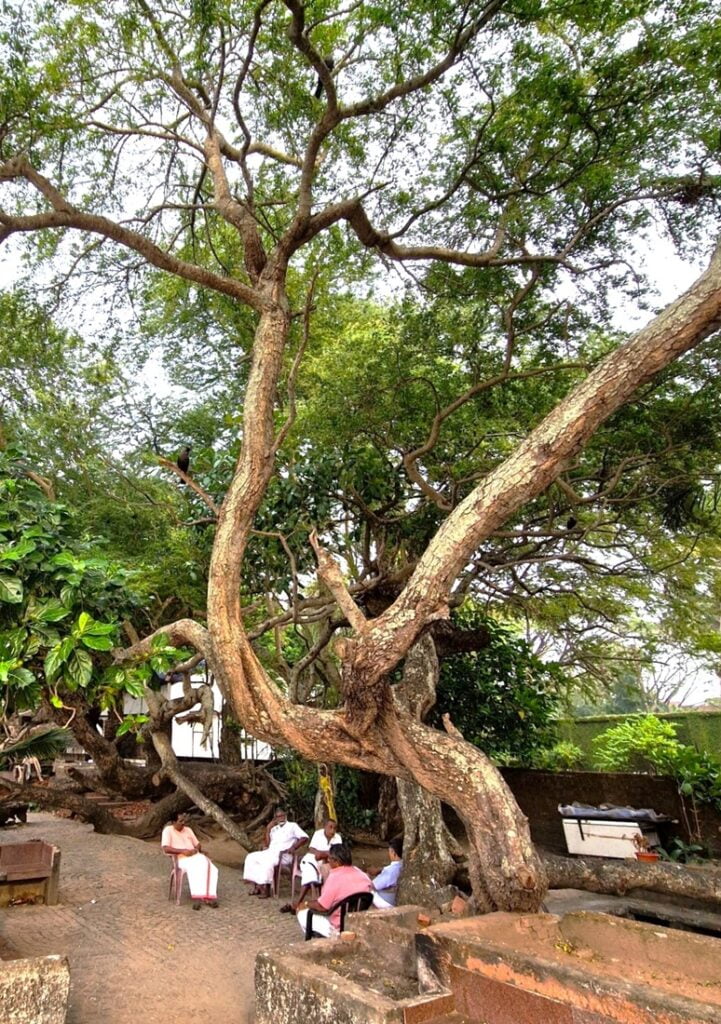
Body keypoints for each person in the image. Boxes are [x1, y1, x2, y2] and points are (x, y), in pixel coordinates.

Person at [295, 843, 372, 938]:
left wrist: (306, 904)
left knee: (302, 913)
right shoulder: (362, 875)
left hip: (338, 925)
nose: (328, 860)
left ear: (337, 861)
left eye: (330, 858)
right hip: (356, 922)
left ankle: (328, 939)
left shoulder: (335, 877)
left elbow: (322, 906)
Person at [280, 817, 342, 913]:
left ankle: (298, 904)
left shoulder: (337, 838)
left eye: (334, 828)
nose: (332, 830)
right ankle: (301, 903)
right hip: (311, 859)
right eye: (330, 827)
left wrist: (322, 854)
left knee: (326, 874)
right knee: (310, 874)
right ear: (325, 827)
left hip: (327, 862)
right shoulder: (318, 834)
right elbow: (312, 849)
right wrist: (325, 853)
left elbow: (336, 853)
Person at [242, 807, 308, 898]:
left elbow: (305, 837)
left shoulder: (292, 826)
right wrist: (268, 829)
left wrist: (294, 847)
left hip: (284, 855)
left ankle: (267, 890)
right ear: (275, 818)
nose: (280, 818)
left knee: (267, 862)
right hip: (270, 852)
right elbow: (268, 844)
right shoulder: (274, 829)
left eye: (282, 816)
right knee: (251, 857)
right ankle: (258, 886)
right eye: (278, 817)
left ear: (285, 816)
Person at [161, 813, 219, 909]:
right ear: (173, 822)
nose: (183, 823)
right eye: (180, 821)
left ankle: (208, 895)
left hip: (195, 856)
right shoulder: (168, 831)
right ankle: (198, 896)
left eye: (184, 821)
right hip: (181, 859)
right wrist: (183, 851)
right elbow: (166, 849)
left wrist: (195, 850)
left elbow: (197, 844)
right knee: (196, 867)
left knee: (211, 868)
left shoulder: (188, 830)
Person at [368, 836, 403, 908]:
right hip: (396, 898)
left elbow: (373, 885)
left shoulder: (390, 871)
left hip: (387, 902)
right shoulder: (404, 865)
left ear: (393, 853)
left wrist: (366, 877)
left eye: (389, 851)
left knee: (367, 888)